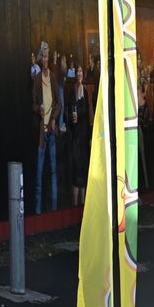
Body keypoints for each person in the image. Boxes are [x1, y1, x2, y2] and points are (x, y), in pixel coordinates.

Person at [31, 41, 61, 213]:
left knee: (54, 173)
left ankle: (55, 209)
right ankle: (38, 211)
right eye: (43, 56)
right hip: (41, 134)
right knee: (39, 174)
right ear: (39, 58)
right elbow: (33, 104)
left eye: (47, 56)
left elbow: (59, 104)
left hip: (51, 130)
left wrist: (54, 119)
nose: (45, 59)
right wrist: (39, 109)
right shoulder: (36, 79)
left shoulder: (53, 78)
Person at [69, 65, 91, 207]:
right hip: (76, 135)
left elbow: (88, 114)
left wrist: (89, 136)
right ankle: (75, 204)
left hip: (83, 134)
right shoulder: (72, 92)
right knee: (77, 167)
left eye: (81, 71)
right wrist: (72, 119)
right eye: (77, 71)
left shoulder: (86, 92)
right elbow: (71, 110)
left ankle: (82, 205)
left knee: (83, 166)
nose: (79, 73)